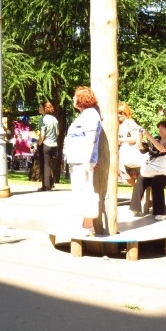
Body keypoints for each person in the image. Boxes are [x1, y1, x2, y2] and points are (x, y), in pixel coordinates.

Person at [63, 86, 101, 235]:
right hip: (77, 159)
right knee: (80, 191)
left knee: (85, 191)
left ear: (81, 99)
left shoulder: (90, 114)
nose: (73, 99)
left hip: (82, 161)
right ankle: (85, 224)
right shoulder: (85, 115)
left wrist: (87, 161)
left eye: (75, 96)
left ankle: (88, 226)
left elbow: (91, 139)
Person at [134, 120, 166, 221]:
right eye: (159, 127)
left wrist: (148, 136)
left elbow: (163, 149)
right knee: (141, 178)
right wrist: (139, 136)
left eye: (162, 127)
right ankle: (134, 208)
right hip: (154, 170)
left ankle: (161, 212)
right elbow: (141, 149)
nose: (160, 129)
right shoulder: (156, 139)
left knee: (156, 181)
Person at [117, 101, 142, 186]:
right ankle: (138, 193)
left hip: (130, 154)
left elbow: (135, 138)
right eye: (117, 113)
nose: (119, 115)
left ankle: (139, 193)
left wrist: (120, 139)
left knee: (129, 176)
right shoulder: (119, 124)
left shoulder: (129, 122)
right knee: (126, 176)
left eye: (121, 113)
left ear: (126, 112)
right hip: (122, 154)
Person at [37, 101, 59, 191]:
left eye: (40, 107)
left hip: (46, 144)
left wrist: (39, 143)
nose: (38, 109)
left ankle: (46, 186)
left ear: (44, 109)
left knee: (45, 165)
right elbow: (58, 133)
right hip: (54, 144)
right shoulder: (55, 119)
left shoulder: (43, 119)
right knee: (50, 165)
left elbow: (42, 134)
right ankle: (51, 183)